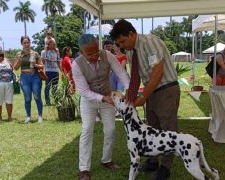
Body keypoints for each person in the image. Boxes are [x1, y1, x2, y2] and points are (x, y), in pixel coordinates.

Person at [110, 19, 180, 180]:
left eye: (123, 41)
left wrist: (143, 96)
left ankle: (165, 168)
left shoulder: (150, 42)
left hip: (165, 89)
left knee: (168, 129)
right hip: (151, 91)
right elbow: (135, 77)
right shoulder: (129, 51)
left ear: (132, 33)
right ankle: (153, 161)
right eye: (118, 43)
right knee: (152, 127)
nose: (121, 45)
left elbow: (158, 72)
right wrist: (131, 95)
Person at [72, 34, 130, 180]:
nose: (94, 55)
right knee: (87, 130)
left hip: (107, 97)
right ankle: (84, 169)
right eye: (89, 53)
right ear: (81, 52)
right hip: (89, 101)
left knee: (110, 129)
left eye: (96, 51)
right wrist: (102, 98)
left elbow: (121, 72)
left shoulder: (108, 55)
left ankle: (107, 160)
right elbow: (84, 91)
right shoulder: (76, 65)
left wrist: (130, 89)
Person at [14, 36, 44, 123]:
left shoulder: (35, 53)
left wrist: (35, 65)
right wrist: (19, 59)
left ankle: (40, 116)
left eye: (28, 42)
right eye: (24, 43)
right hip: (24, 77)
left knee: (37, 97)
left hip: (35, 77)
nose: (26, 44)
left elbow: (42, 65)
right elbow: (15, 68)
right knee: (27, 98)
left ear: (30, 43)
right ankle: (28, 117)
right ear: (22, 44)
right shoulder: (19, 54)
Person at [41, 39, 61, 105]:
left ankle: (56, 100)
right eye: (51, 44)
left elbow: (58, 61)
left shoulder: (56, 51)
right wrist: (46, 52)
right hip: (48, 71)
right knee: (47, 87)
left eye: (54, 44)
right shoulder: (44, 52)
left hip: (55, 71)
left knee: (55, 87)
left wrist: (61, 70)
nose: (52, 45)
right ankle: (47, 101)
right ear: (48, 45)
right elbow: (43, 62)